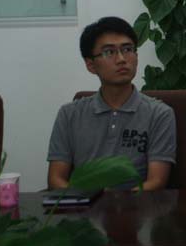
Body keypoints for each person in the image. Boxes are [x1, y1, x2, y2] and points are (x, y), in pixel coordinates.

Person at [47, 16, 176, 190]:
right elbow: (56, 179)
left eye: (128, 49)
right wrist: (86, 200)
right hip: (83, 203)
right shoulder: (69, 114)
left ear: (136, 57)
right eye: (109, 52)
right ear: (90, 65)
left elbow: (156, 181)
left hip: (137, 204)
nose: (121, 59)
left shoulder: (159, 113)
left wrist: (119, 202)